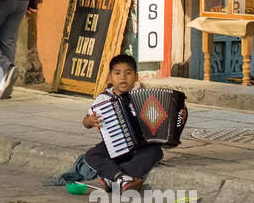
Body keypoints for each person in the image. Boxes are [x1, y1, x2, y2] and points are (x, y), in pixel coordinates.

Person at [80, 54, 188, 194]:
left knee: (155, 152)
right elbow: (85, 122)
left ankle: (114, 178)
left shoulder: (145, 96)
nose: (122, 77)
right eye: (117, 73)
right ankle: (122, 179)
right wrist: (90, 121)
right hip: (115, 145)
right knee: (92, 154)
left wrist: (180, 114)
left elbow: (169, 114)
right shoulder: (103, 99)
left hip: (142, 145)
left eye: (128, 73)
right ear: (110, 77)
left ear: (136, 77)